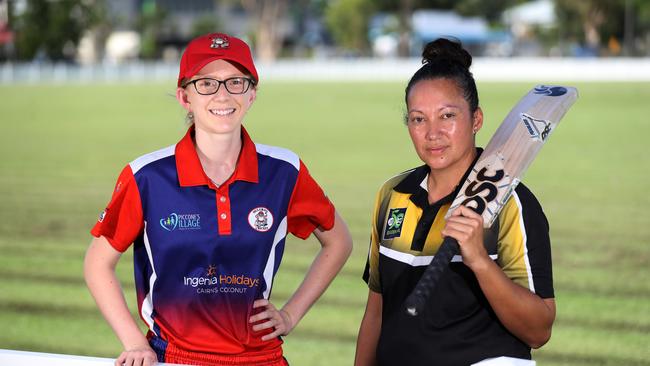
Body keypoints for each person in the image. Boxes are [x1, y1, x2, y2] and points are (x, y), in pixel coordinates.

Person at [84, 32, 353, 366]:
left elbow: (338, 242)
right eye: (206, 84)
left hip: (261, 359)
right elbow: (97, 263)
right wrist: (135, 343)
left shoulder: (285, 172)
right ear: (184, 96)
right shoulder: (147, 176)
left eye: (235, 83)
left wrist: (290, 315)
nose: (223, 95)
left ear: (252, 93)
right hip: (174, 358)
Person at [354, 38, 555, 366]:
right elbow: (376, 313)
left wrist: (478, 259)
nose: (432, 133)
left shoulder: (512, 203)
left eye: (447, 116)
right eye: (419, 119)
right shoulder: (392, 195)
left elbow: (539, 330)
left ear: (476, 120)